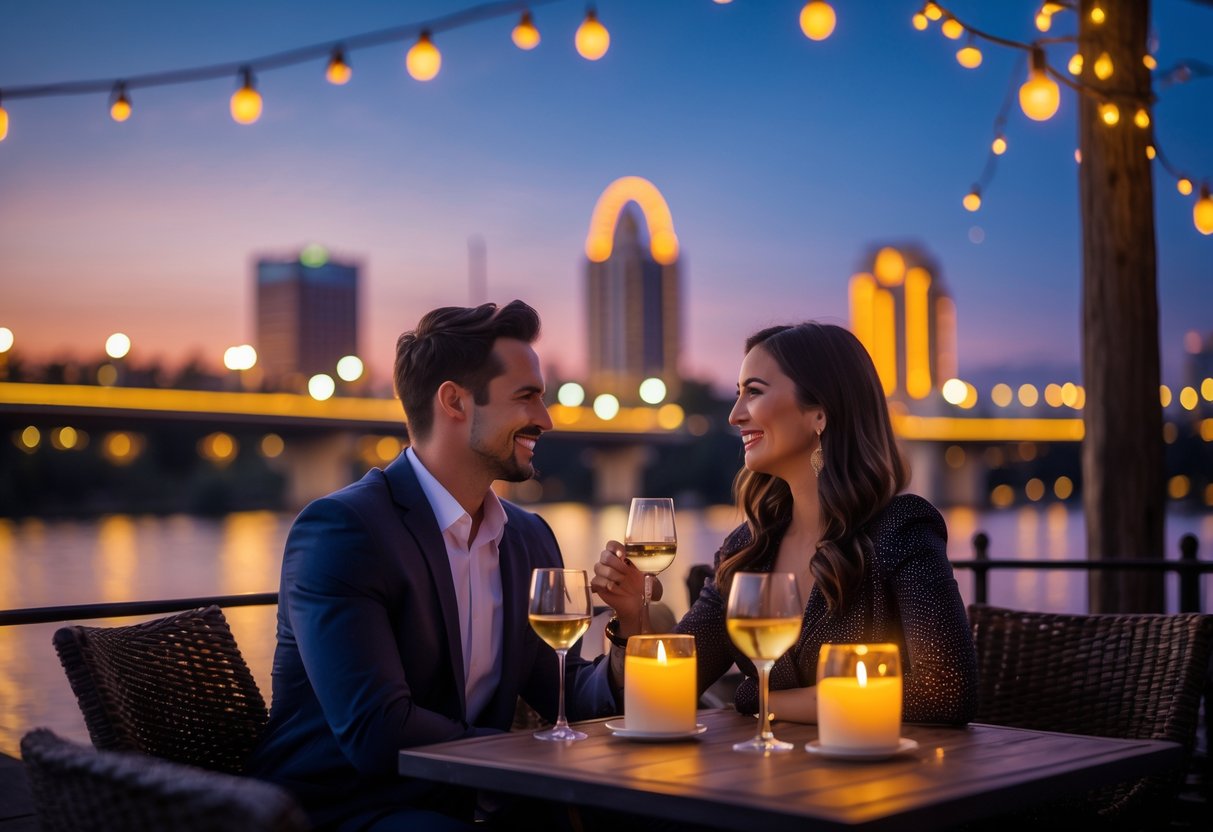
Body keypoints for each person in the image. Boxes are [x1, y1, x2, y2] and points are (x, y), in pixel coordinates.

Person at [248, 301, 641, 831]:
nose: (546, 419)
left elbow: (568, 701)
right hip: (346, 810)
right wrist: (529, 756)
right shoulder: (343, 531)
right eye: (527, 397)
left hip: (483, 799)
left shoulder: (528, 538)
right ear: (454, 401)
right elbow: (378, 733)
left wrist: (627, 628)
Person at [595, 322, 979, 726]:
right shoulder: (748, 548)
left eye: (754, 392)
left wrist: (758, 697)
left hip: (886, 782)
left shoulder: (901, 528)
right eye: (739, 392)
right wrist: (632, 614)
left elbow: (947, 692)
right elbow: (666, 692)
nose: (735, 414)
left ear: (819, 412)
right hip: (770, 784)